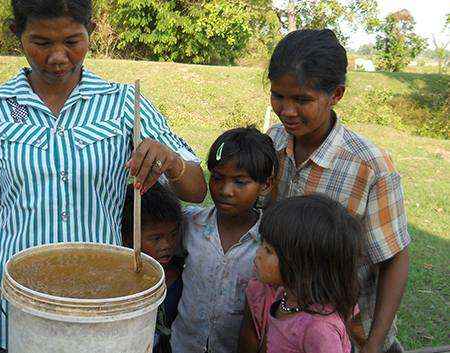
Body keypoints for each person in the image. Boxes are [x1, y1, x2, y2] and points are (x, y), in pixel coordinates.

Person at [0, 1, 207, 352]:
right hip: (13, 312)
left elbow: (195, 189)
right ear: (17, 34)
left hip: (103, 311)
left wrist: (173, 163)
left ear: (91, 32)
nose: (58, 57)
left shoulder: (124, 104)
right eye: (41, 43)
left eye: (72, 42)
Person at [266, 29, 410, 353]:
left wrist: (373, 345)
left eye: (302, 100)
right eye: (279, 96)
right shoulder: (273, 142)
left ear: (336, 94)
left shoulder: (369, 166)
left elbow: (395, 259)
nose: (287, 110)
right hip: (285, 329)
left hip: (345, 337)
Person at [171, 127, 278, 353]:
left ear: (265, 185)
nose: (225, 190)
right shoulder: (191, 223)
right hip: (182, 345)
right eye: (218, 178)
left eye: (240, 182)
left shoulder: (270, 243)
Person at [238, 194, 362, 353]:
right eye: (262, 244)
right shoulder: (285, 296)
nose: (258, 254)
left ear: (303, 267)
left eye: (269, 251)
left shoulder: (320, 330)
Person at [122, 182, 184, 353]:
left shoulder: (180, 276)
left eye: (173, 234)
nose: (167, 245)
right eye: (156, 238)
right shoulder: (122, 282)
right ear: (128, 238)